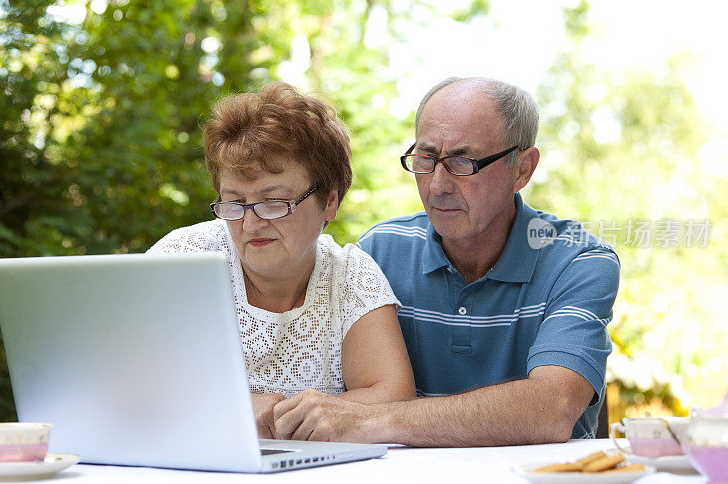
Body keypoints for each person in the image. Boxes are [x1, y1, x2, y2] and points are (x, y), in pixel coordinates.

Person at [272, 76, 619, 446]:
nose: (437, 185)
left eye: (462, 162)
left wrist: (374, 420)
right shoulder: (379, 252)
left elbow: (553, 407)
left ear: (522, 169)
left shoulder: (579, 261)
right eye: (425, 159)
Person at [147, 81, 415, 439]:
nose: (251, 222)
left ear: (330, 201)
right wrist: (239, 406)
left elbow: (394, 398)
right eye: (235, 203)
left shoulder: (351, 277)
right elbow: (115, 378)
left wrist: (282, 413)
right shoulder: (182, 259)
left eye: (274, 201)